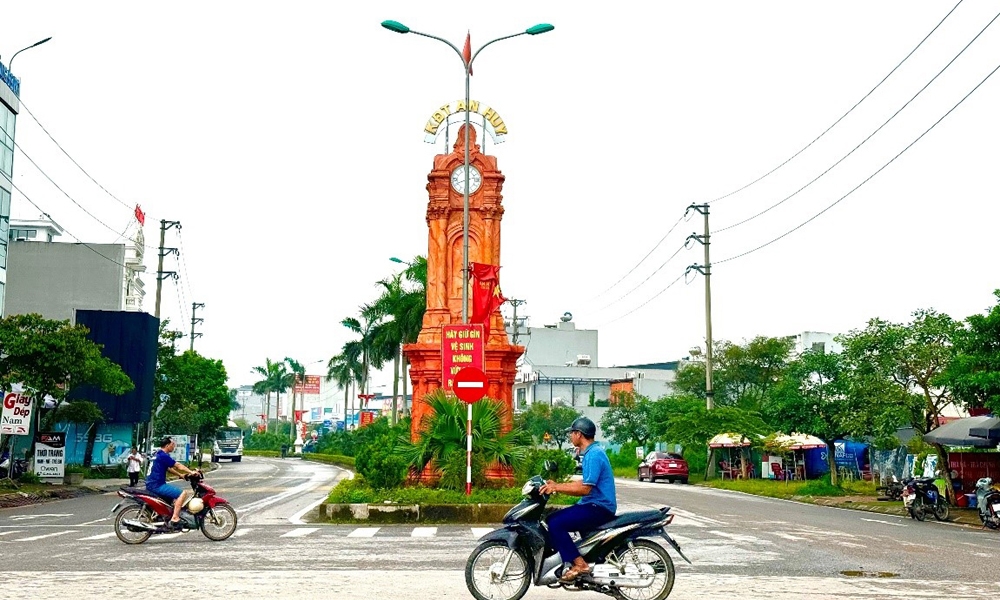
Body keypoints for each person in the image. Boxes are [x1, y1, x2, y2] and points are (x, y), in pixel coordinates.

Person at [539, 416, 616, 582]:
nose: (570, 437)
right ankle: (579, 558)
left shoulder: (594, 455)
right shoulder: (591, 452)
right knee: (555, 518)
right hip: (594, 505)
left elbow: (585, 488)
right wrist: (558, 484)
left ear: (579, 434)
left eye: (572, 433)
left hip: (599, 508)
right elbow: (586, 481)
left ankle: (580, 564)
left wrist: (557, 487)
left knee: (555, 523)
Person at [145, 437, 200, 530]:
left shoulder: (157, 453)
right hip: (157, 485)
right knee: (182, 494)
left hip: (151, 483)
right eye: (172, 445)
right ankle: (175, 518)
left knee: (172, 501)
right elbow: (178, 465)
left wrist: (180, 475)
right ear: (167, 445)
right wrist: (191, 472)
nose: (174, 447)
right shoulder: (164, 456)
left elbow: (168, 468)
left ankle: (167, 517)